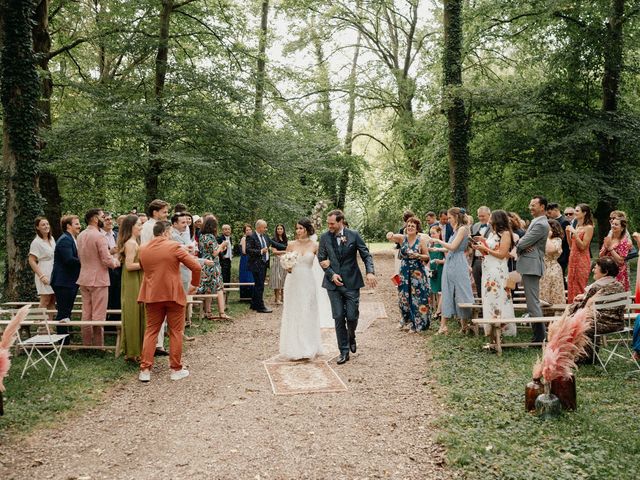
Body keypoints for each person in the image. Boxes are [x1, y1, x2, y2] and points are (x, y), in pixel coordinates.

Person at [138, 221, 202, 382]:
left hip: (152, 293)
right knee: (175, 331)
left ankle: (145, 370)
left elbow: (144, 268)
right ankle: (175, 369)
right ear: (166, 232)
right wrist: (194, 284)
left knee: (151, 330)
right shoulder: (174, 246)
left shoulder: (143, 248)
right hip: (173, 293)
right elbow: (196, 266)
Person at [318, 210, 376, 364]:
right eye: (328, 223)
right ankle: (343, 351)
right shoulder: (324, 237)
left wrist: (370, 272)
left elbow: (366, 255)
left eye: (332, 223)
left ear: (341, 221)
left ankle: (352, 335)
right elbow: (321, 258)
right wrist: (331, 274)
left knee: (351, 316)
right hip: (333, 284)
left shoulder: (354, 235)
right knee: (338, 316)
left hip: (352, 282)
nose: (329, 226)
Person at [279, 219, 324, 360]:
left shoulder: (315, 245)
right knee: (294, 311)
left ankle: (309, 346)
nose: (298, 231)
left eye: (301, 228)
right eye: (297, 228)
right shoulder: (291, 244)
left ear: (307, 229)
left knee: (308, 311)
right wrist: (287, 266)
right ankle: (294, 347)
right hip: (293, 281)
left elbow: (323, 261)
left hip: (308, 280)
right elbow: (286, 262)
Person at [76, 209, 120, 346]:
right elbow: (106, 259)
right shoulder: (99, 236)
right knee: (98, 314)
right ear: (95, 219)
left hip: (83, 278)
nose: (104, 218)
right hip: (99, 279)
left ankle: (86, 344)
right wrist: (116, 262)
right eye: (102, 217)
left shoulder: (81, 235)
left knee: (86, 313)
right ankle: (98, 345)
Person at [567, 258, 625, 360]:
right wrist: (585, 297)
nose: (593, 270)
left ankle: (584, 356)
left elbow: (583, 309)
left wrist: (573, 306)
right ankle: (590, 356)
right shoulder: (620, 286)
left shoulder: (597, 286)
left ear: (605, 272)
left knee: (579, 321)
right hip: (618, 324)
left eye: (596, 268)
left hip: (599, 324)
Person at [471, 210, 517, 337]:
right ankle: (491, 328)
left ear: (497, 219)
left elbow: (502, 255)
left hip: (498, 270)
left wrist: (484, 248)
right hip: (488, 269)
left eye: (491, 217)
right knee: (489, 297)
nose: (489, 220)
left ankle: (503, 329)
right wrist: (482, 242)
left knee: (499, 297)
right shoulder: (492, 233)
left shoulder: (506, 234)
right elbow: (491, 249)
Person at [430, 207, 475, 335]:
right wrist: (437, 250)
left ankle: (464, 324)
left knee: (461, 291)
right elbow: (450, 249)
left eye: (449, 217)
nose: (448, 220)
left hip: (458, 262)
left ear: (456, 216)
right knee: (447, 290)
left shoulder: (463, 229)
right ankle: (443, 325)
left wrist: (438, 241)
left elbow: (454, 247)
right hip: (451, 260)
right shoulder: (456, 230)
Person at [386, 216, 431, 332]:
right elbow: (391, 236)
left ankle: (418, 323)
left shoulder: (420, 240)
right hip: (405, 271)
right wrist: (390, 234)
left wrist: (419, 256)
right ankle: (406, 320)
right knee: (404, 296)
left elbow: (427, 257)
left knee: (418, 297)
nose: (410, 227)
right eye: (408, 225)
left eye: (413, 226)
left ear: (417, 229)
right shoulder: (402, 238)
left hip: (417, 272)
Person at [515, 196, 550, 343]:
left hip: (532, 265)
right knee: (531, 302)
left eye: (533, 205)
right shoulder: (537, 222)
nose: (530, 207)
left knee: (533, 302)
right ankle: (539, 336)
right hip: (529, 264)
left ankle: (540, 337)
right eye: (530, 204)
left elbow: (522, 243)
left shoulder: (541, 224)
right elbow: (524, 242)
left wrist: (520, 244)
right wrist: (522, 244)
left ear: (542, 207)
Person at [139, 199, 170, 354]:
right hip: (155, 271)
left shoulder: (156, 227)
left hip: (160, 270)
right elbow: (150, 249)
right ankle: (156, 345)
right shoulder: (148, 228)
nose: (167, 215)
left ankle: (159, 343)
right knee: (156, 308)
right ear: (155, 212)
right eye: (164, 212)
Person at [117, 215, 145, 361]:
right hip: (132, 280)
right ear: (131, 227)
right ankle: (132, 351)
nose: (141, 227)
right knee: (133, 313)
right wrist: (146, 265)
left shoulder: (135, 242)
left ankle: (137, 350)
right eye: (139, 224)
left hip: (137, 279)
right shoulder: (130, 243)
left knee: (139, 312)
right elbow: (129, 266)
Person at [51, 215, 82, 341]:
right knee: (63, 311)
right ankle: (63, 339)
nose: (79, 226)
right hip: (63, 281)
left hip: (68, 281)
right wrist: (84, 260)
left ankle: (66, 337)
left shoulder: (71, 238)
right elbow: (69, 259)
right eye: (76, 224)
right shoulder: (65, 240)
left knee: (67, 310)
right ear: (68, 226)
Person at [246, 220, 286, 313]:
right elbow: (248, 250)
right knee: (260, 285)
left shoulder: (265, 236)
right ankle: (260, 306)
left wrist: (288, 247)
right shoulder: (251, 237)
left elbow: (275, 244)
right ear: (259, 227)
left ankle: (254, 304)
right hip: (256, 265)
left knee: (258, 285)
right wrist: (260, 251)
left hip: (264, 264)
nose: (266, 229)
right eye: (265, 227)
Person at [197, 216, 230, 319]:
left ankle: (208, 311)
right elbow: (215, 253)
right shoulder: (210, 237)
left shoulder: (202, 236)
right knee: (219, 287)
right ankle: (222, 312)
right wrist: (222, 245)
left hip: (205, 265)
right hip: (212, 265)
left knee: (208, 288)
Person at [28, 217, 56, 317]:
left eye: (47, 224)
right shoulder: (36, 242)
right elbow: (31, 260)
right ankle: (41, 326)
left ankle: (50, 327)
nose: (46, 226)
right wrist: (41, 276)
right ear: (37, 227)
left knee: (53, 300)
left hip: (53, 272)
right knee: (45, 300)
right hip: (44, 272)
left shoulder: (51, 239)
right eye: (43, 225)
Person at [566, 203, 594, 302]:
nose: (574, 212)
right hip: (572, 257)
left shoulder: (589, 228)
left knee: (580, 284)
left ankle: (581, 310)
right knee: (571, 283)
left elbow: (583, 246)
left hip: (582, 259)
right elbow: (571, 245)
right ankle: (571, 307)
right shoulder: (577, 226)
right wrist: (568, 233)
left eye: (577, 211)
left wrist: (574, 233)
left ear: (584, 213)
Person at [600, 217, 632, 291]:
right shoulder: (608, 238)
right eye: (612, 224)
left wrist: (610, 248)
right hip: (606, 271)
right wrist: (605, 248)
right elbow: (601, 256)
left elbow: (621, 261)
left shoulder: (624, 241)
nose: (613, 226)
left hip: (619, 273)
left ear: (622, 228)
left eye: (616, 224)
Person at [539, 219, 565, 306]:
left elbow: (550, 250)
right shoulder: (540, 240)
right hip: (541, 270)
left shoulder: (557, 240)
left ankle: (556, 318)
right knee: (542, 295)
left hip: (552, 270)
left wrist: (547, 237)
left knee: (555, 295)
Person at [470, 206, 492, 300]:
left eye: (483, 216)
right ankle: (481, 310)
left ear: (489, 215)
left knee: (489, 285)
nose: (481, 218)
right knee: (478, 285)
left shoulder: (493, 226)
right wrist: (472, 244)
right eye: (479, 216)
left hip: (489, 259)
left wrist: (483, 240)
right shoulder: (475, 226)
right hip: (476, 260)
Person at [546, 203, 571, 279]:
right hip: (550, 254)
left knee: (559, 276)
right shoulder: (550, 220)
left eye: (550, 212)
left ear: (556, 210)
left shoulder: (564, 221)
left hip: (560, 254)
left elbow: (564, 239)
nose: (548, 215)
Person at [428, 225, 445, 321]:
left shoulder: (442, 244)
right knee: (435, 291)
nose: (432, 235)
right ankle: (438, 311)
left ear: (439, 233)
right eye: (431, 233)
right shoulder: (431, 245)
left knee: (440, 291)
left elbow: (447, 259)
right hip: (432, 270)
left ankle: (439, 311)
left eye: (434, 233)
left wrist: (440, 261)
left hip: (440, 269)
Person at [269, 224, 289, 305]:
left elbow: (289, 249)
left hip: (286, 260)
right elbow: (274, 251)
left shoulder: (286, 239)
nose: (279, 230)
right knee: (277, 279)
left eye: (281, 229)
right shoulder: (274, 239)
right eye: (278, 229)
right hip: (277, 260)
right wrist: (284, 252)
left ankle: (283, 298)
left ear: (283, 230)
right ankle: (276, 298)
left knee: (285, 279)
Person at [238, 224, 255, 300]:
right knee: (246, 276)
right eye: (247, 230)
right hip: (246, 259)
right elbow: (244, 251)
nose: (248, 231)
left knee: (251, 276)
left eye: (249, 230)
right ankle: (245, 296)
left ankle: (251, 295)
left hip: (250, 259)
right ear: (244, 232)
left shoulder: (252, 238)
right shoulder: (244, 239)